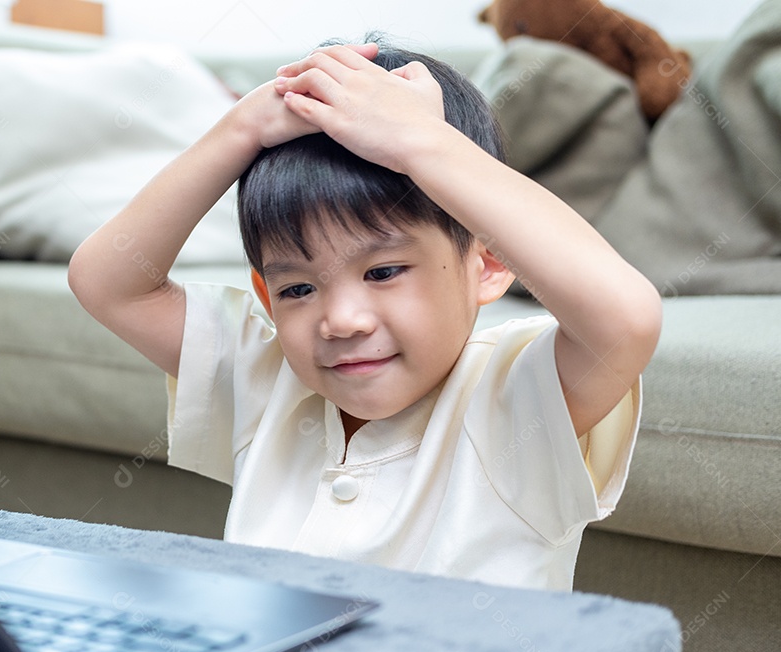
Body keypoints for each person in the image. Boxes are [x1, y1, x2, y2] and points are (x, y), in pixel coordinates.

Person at [68, 38, 662, 592]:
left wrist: (420, 143)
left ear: (488, 264)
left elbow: (625, 320)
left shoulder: (517, 398)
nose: (342, 321)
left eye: (383, 272)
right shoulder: (265, 375)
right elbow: (108, 283)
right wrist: (241, 130)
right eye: (298, 289)